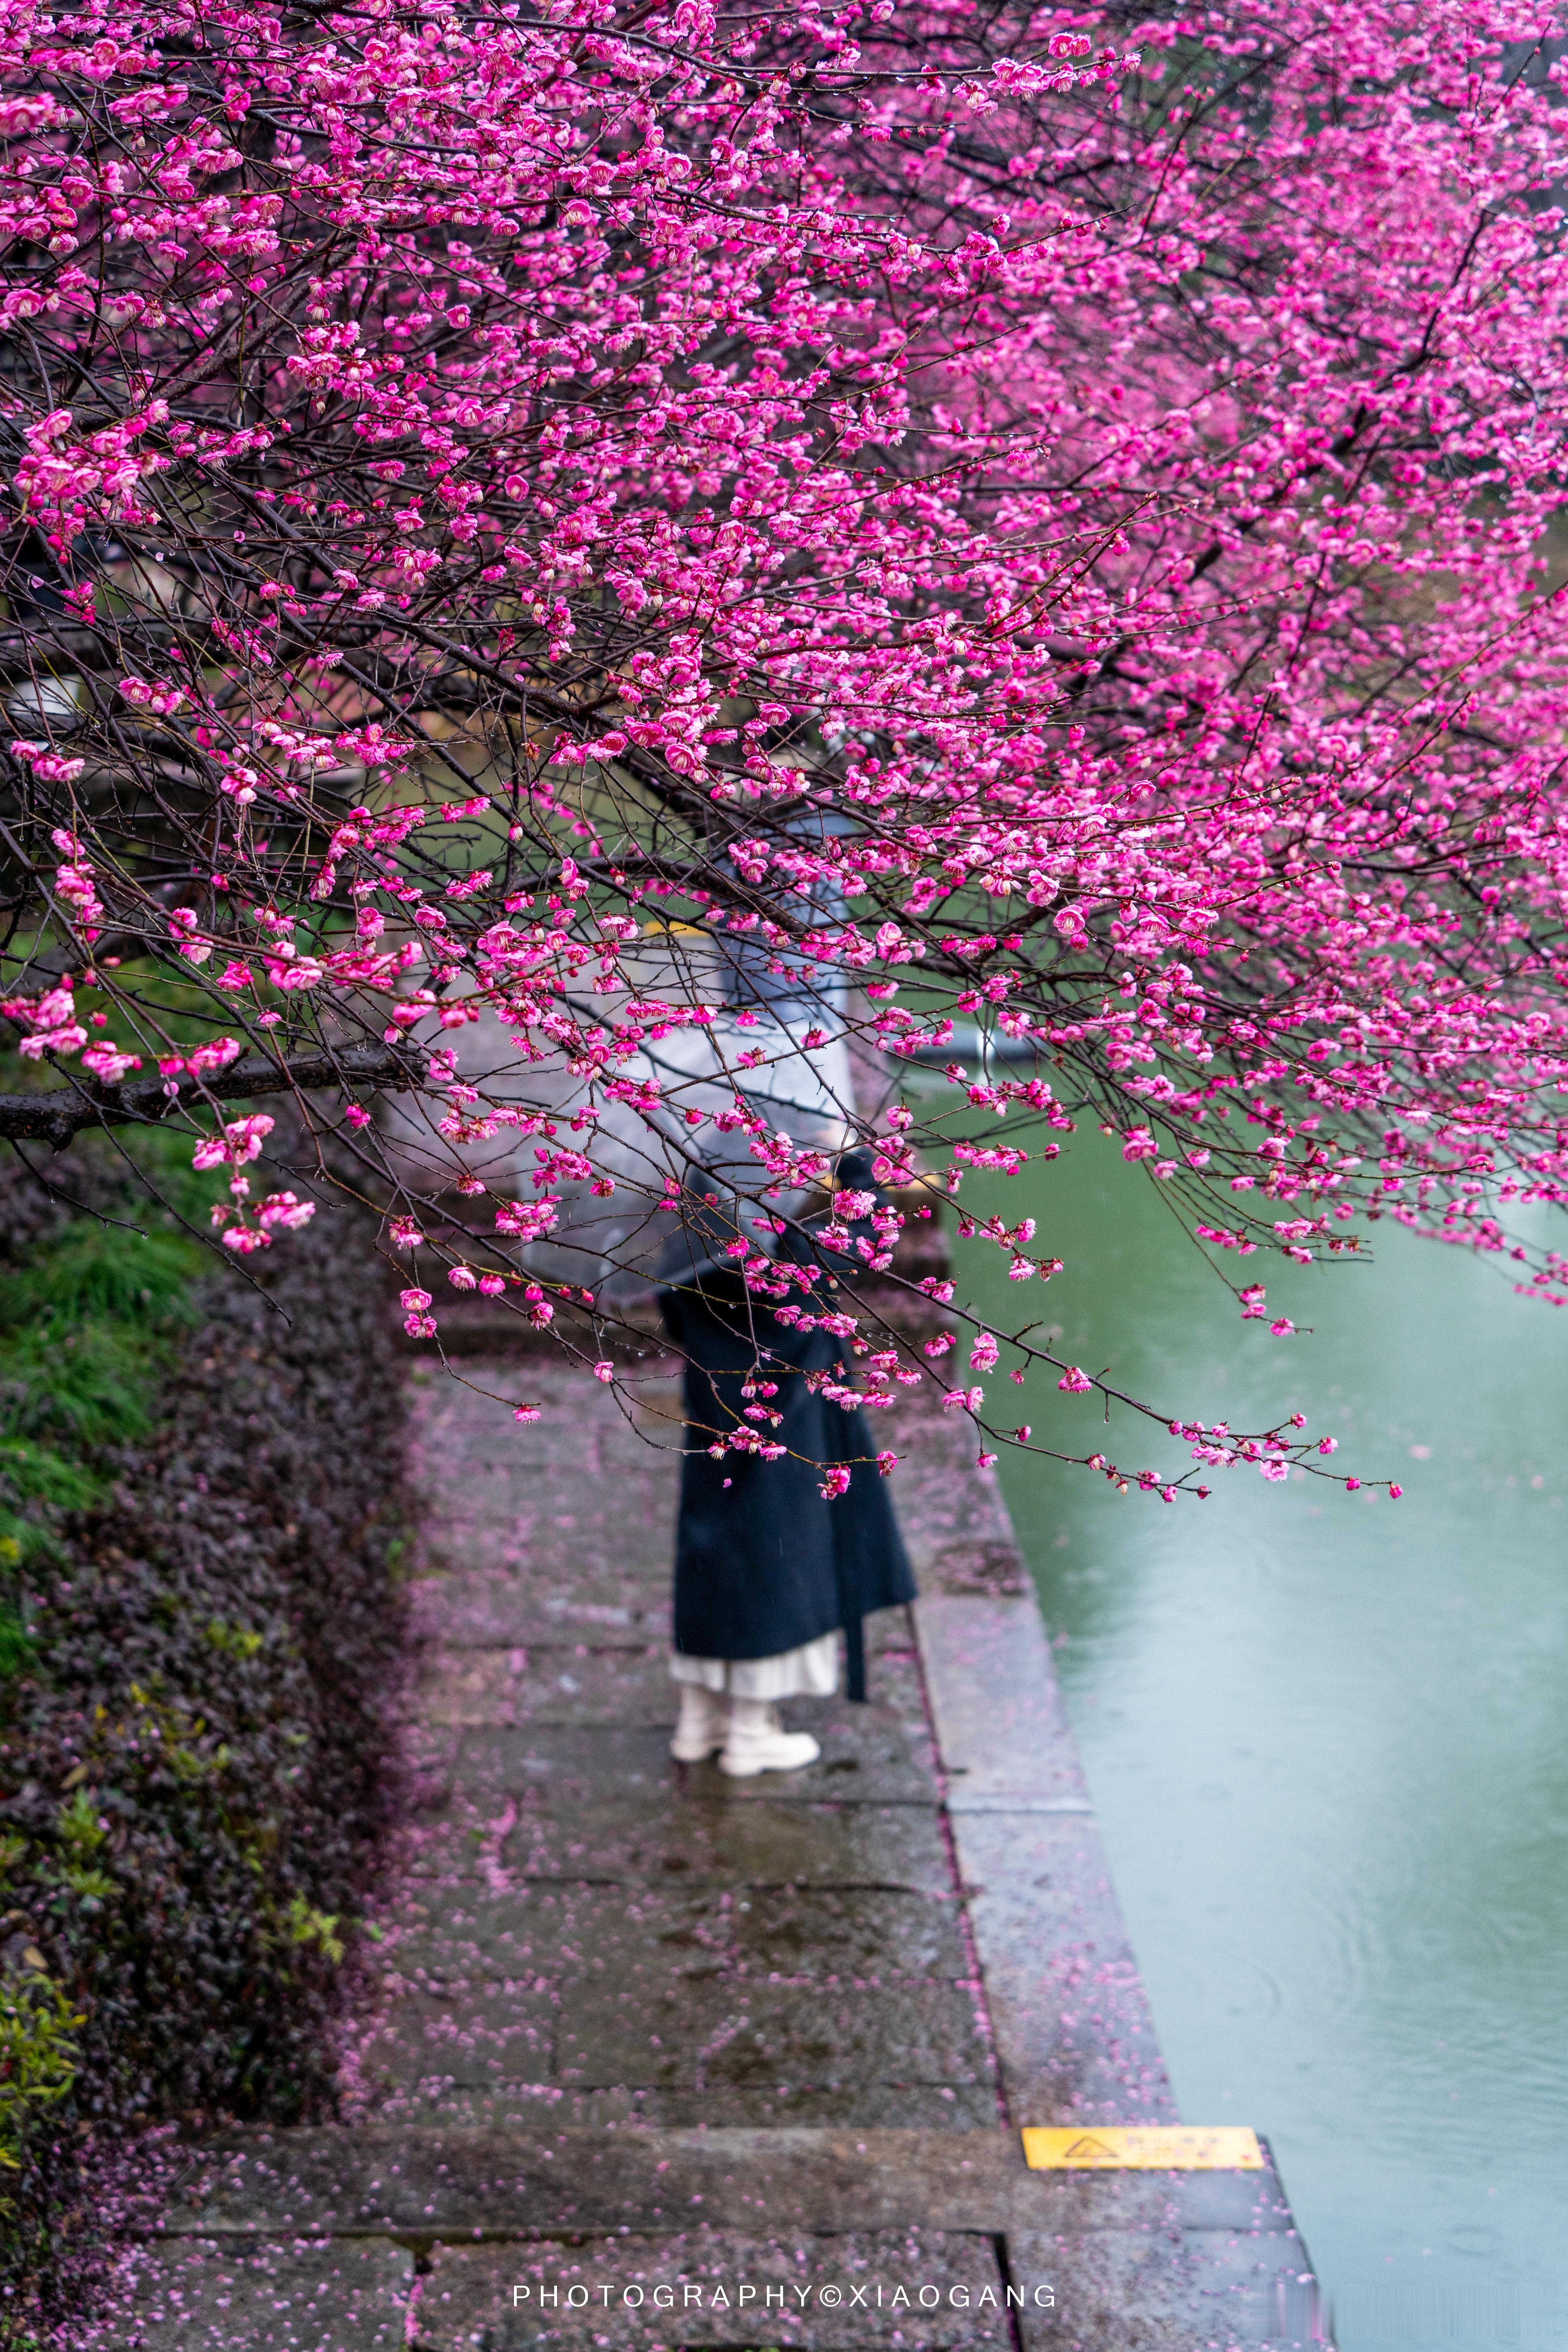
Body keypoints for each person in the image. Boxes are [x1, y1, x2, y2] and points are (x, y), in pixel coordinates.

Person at [657, 1156, 916, 1776]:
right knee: (774, 1553)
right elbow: (855, 1240)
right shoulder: (779, 1258)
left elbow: (673, 1315)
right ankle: (750, 1729)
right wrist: (860, 1171)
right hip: (787, 1430)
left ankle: (699, 1719)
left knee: (709, 1547)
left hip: (713, 1411)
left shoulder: (686, 1239)